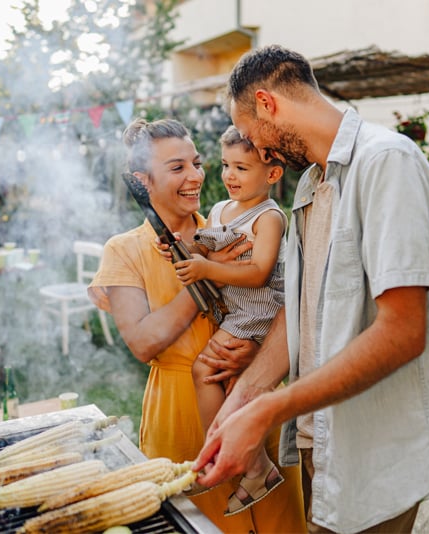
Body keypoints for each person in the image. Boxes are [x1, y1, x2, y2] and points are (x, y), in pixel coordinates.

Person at [193, 45, 429, 533]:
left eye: (253, 136)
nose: (261, 153)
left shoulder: (386, 162)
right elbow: (302, 310)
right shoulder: (310, 184)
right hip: (323, 444)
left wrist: (271, 407)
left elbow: (402, 331)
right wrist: (245, 397)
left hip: (378, 453)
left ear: (267, 103)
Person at [87, 117, 306, 533]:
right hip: (183, 415)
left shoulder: (233, 225)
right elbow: (143, 342)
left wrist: (259, 350)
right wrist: (204, 276)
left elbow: (280, 299)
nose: (196, 177)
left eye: (197, 162)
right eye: (176, 168)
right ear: (142, 181)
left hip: (255, 397)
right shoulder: (124, 251)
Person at [173, 125, 287, 516]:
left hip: (256, 311)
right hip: (232, 310)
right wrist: (181, 247)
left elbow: (258, 272)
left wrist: (205, 269)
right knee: (232, 382)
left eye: (241, 167)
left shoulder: (269, 217)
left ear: (272, 174)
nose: (229, 176)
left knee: (204, 369)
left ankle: (222, 451)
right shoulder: (221, 209)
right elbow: (206, 244)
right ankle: (256, 468)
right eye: (225, 165)